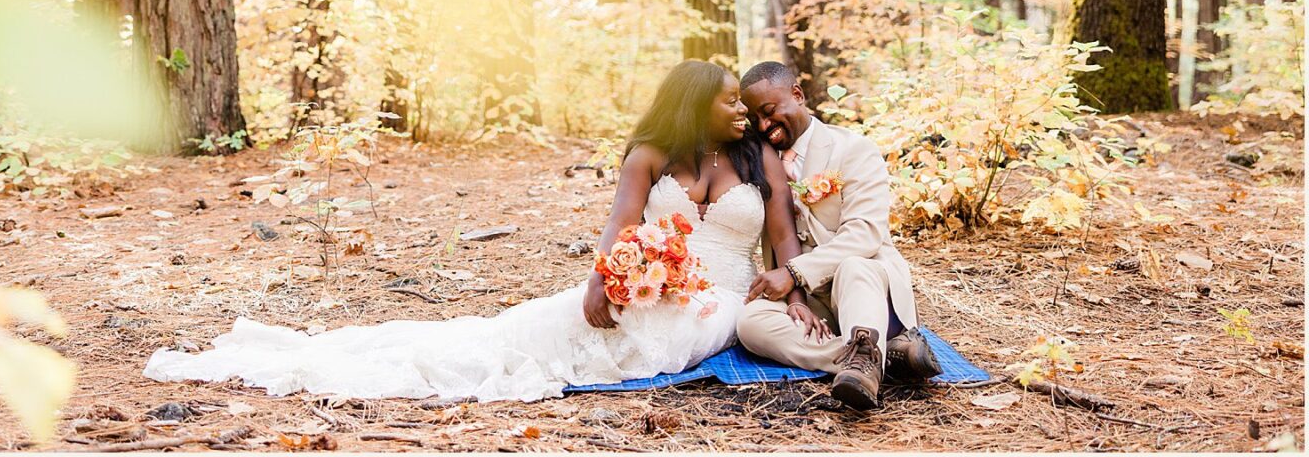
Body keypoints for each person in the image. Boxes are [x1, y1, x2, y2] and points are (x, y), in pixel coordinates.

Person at [143, 59, 810, 402]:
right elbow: (620, 226)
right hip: (649, 286)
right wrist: (602, 280)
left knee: (664, 342)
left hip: (723, 296)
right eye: (728, 99)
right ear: (694, 105)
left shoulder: (760, 158)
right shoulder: (650, 154)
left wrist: (799, 292)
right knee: (528, 335)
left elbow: (783, 241)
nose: (741, 110)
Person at [734, 60, 941, 410]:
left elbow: (866, 233)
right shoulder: (758, 163)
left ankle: (867, 350)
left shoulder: (853, 149)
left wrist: (794, 272)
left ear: (797, 95)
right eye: (755, 118)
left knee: (854, 266)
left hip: (867, 287)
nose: (764, 125)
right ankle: (870, 358)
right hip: (810, 302)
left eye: (769, 111)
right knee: (750, 322)